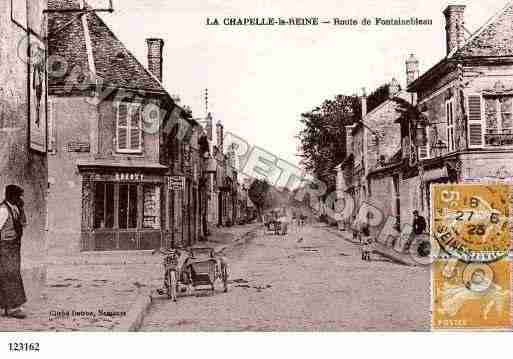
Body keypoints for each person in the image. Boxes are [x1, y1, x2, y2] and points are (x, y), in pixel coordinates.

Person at [0, 185, 27, 319]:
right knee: (9, 276)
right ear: (12, 196)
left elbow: (23, 224)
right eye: (18, 196)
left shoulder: (15, 208)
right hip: (5, 247)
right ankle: (12, 308)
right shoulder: (3, 210)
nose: (20, 198)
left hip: (13, 247)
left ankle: (8, 306)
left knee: (11, 274)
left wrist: (21, 209)